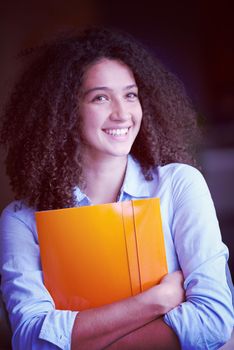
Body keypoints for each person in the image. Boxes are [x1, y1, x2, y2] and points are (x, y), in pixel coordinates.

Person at [0, 26, 233, 350]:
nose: (122, 113)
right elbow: (30, 339)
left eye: (130, 94)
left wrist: (79, 339)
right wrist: (155, 301)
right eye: (100, 97)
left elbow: (213, 321)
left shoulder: (179, 185)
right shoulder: (22, 219)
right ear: (65, 110)